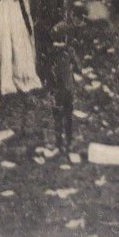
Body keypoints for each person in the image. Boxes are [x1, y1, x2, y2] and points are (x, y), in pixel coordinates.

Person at [41, 21, 77, 153]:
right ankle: (69, 142)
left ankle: (59, 143)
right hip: (68, 88)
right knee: (68, 116)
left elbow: (47, 71)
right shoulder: (70, 51)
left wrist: (48, 85)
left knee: (57, 117)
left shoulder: (51, 53)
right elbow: (77, 66)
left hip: (57, 89)